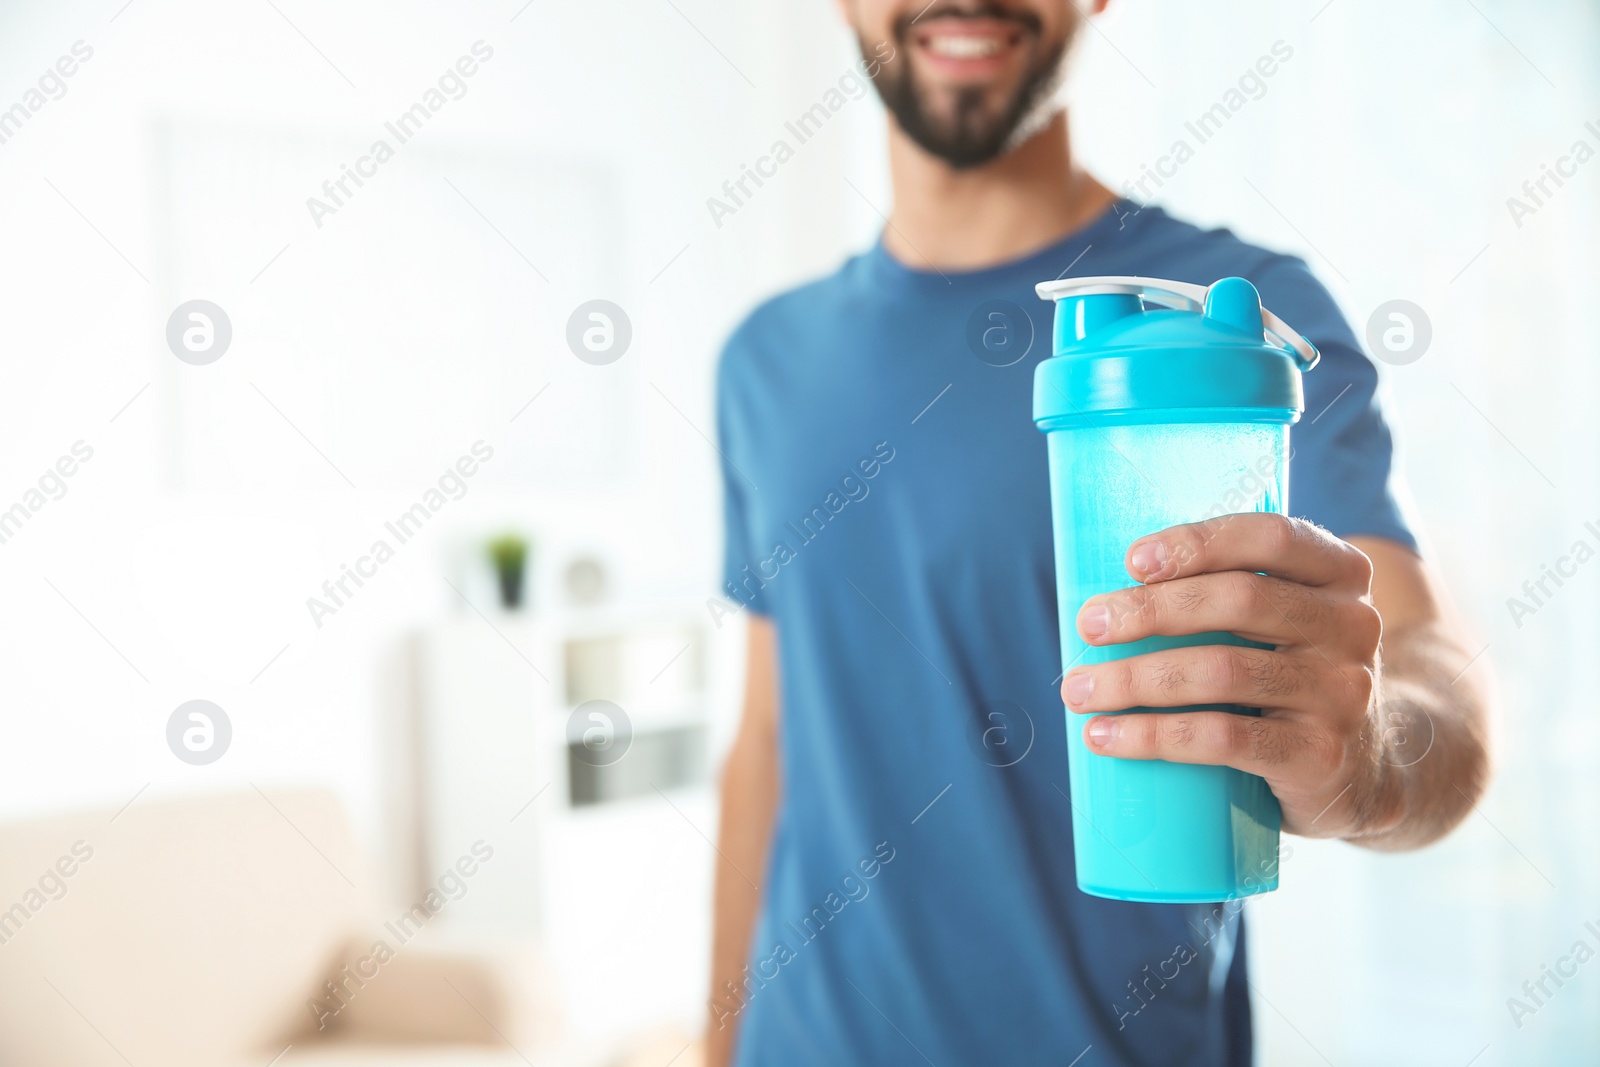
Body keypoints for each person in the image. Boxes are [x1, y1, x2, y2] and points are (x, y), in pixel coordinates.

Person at [706, 2, 1492, 1064]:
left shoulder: (1245, 322)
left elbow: (1425, 669)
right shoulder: (765, 359)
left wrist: (1370, 758)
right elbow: (766, 741)